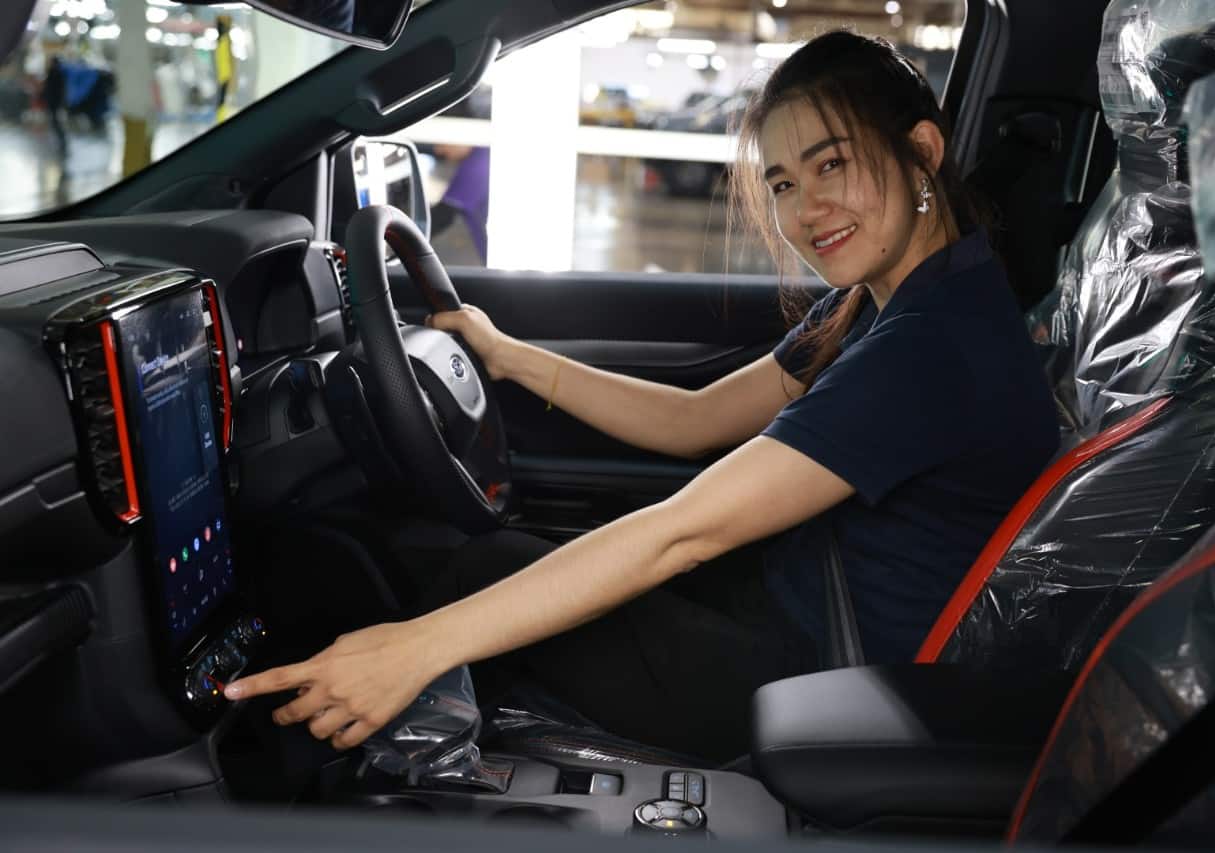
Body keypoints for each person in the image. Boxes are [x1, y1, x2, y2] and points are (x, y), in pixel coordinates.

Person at [226, 31, 1061, 761]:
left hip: (822, 686)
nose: (808, 210)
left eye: (831, 164)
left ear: (922, 150)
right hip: (791, 610)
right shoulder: (888, 302)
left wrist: (415, 649)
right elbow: (695, 419)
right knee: (487, 571)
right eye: (782, 184)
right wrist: (508, 357)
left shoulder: (929, 347)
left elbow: (682, 533)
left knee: (479, 577)